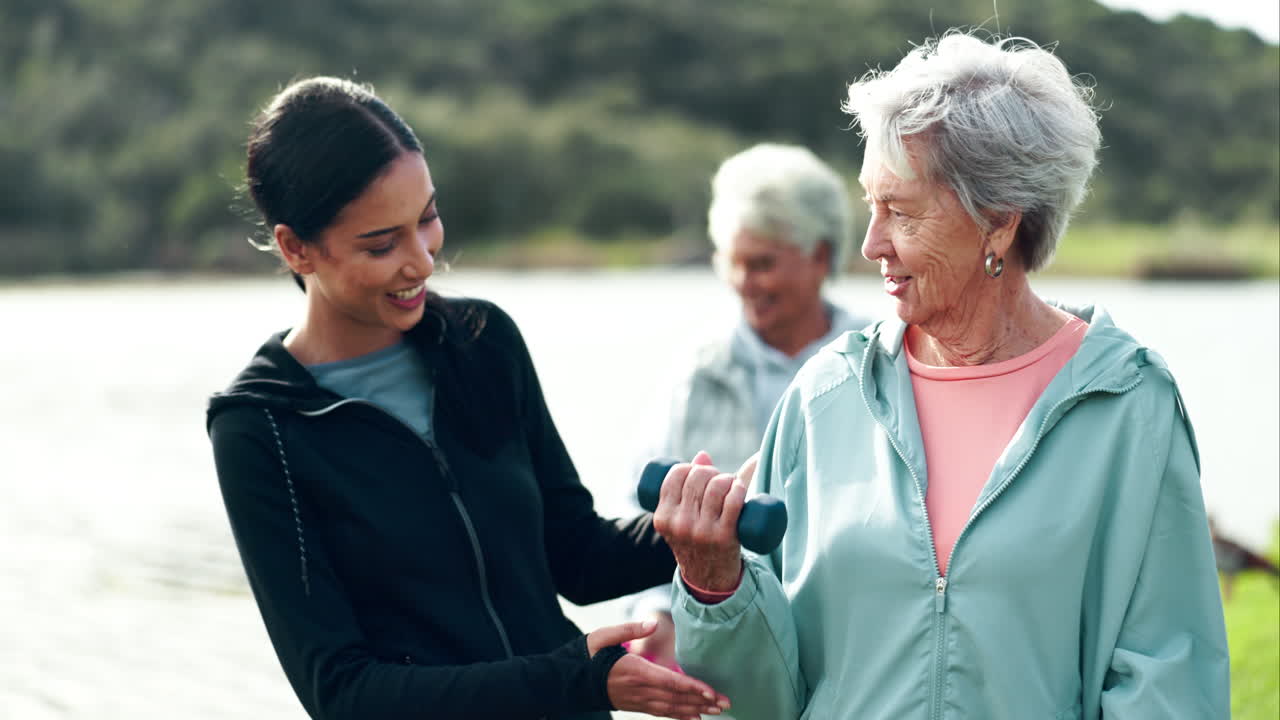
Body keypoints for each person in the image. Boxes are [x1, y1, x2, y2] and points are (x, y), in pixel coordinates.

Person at [651, 32, 1229, 719]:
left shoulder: (1131, 406)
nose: (871, 245)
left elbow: (1169, 683)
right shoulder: (825, 396)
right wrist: (717, 587)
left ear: (999, 221)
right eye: (870, 207)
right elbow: (762, 702)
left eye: (901, 211)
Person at [206, 76, 730, 720]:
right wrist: (574, 681)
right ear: (296, 248)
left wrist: (711, 516)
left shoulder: (484, 344)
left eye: (426, 218)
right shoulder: (262, 427)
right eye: (381, 243)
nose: (422, 260)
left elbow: (576, 556)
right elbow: (342, 694)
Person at [625, 143, 869, 669]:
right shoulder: (695, 370)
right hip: (723, 650)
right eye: (733, 264)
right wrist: (658, 612)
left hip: (847, 651)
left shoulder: (880, 364)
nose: (744, 283)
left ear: (821, 256)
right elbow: (642, 510)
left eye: (762, 264)